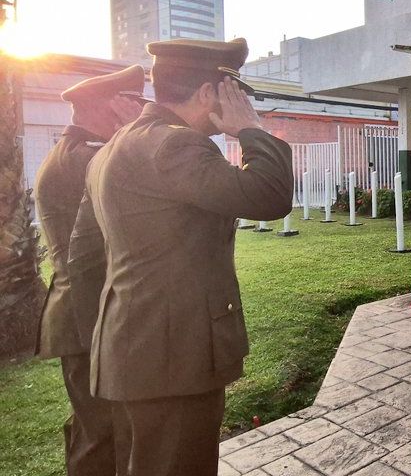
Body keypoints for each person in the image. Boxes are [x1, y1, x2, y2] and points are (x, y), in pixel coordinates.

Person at [76, 38, 293, 476]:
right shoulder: (175, 145)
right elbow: (269, 195)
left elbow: (84, 254)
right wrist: (251, 130)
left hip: (138, 348)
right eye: (231, 91)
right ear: (209, 93)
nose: (238, 102)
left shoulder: (122, 143)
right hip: (172, 355)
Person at [34, 65, 147, 476]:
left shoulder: (75, 152)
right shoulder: (87, 158)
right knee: (102, 433)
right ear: (106, 106)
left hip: (83, 313)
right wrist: (136, 134)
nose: (137, 112)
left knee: (93, 428)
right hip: (88, 318)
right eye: (130, 103)